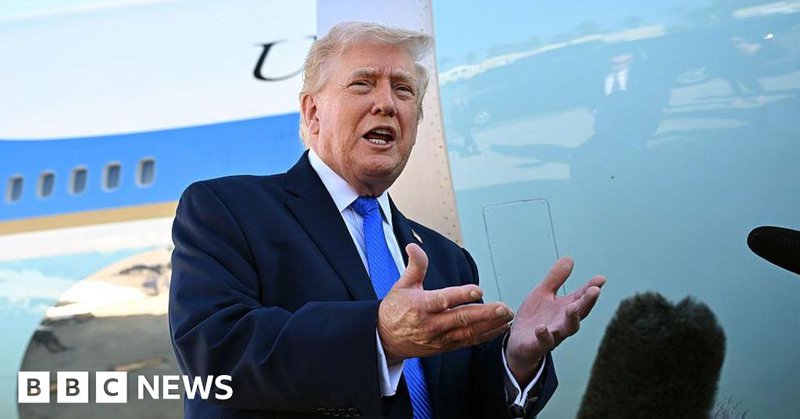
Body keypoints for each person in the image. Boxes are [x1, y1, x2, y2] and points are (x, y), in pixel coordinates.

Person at [169, 22, 605, 419]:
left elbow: (464, 402)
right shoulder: (227, 210)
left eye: (404, 90)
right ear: (313, 113)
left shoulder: (447, 259)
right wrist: (378, 337)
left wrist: (516, 360)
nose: (386, 104)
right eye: (362, 84)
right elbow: (214, 357)